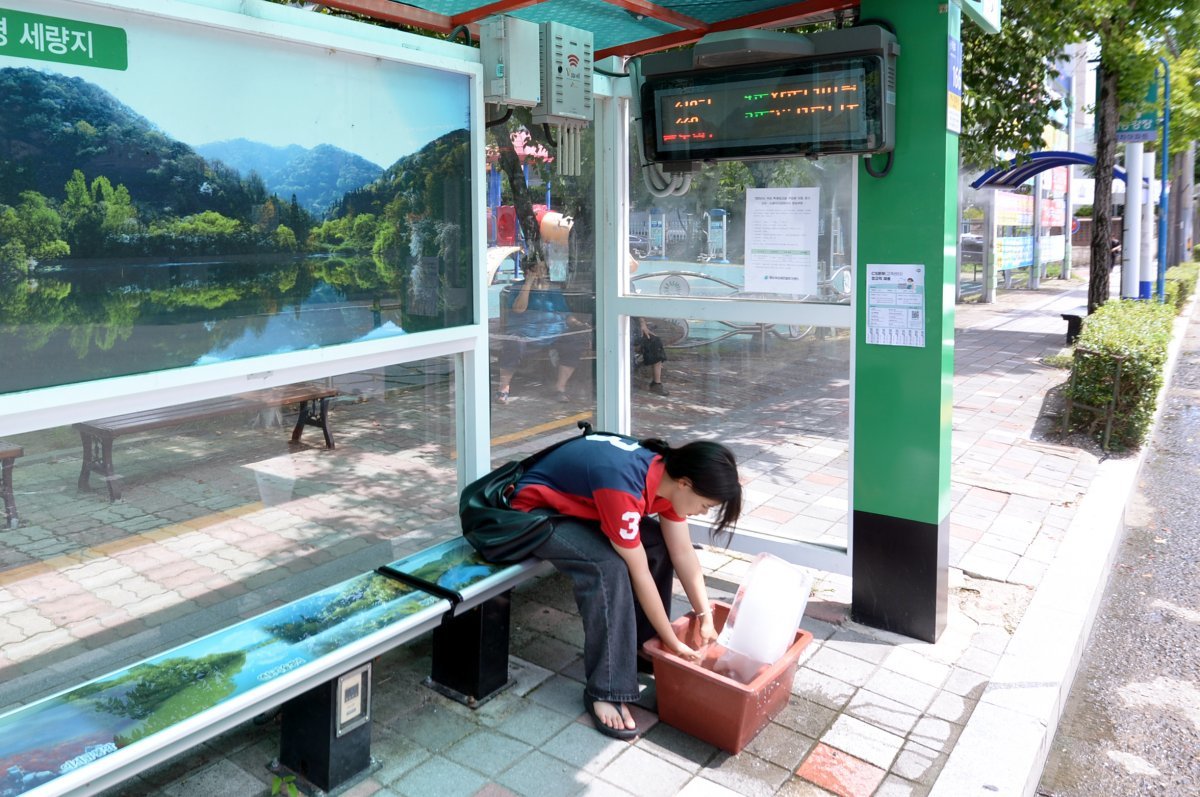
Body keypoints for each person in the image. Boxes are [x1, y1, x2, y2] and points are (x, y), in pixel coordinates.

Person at [509, 432, 742, 739]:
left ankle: (639, 650)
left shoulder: (668, 478)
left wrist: (705, 616)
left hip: (582, 506)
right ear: (686, 483)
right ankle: (605, 689)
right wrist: (672, 639)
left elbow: (682, 552)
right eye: (706, 505)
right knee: (608, 568)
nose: (704, 512)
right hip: (536, 513)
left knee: (657, 545)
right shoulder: (623, 484)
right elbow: (638, 572)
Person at [495, 252, 587, 404]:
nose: (542, 272)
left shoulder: (553, 289)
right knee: (513, 344)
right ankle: (503, 388)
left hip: (554, 332)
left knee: (574, 342)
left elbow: (565, 313)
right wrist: (528, 284)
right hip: (525, 332)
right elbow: (519, 309)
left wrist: (578, 323)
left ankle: (560, 388)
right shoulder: (518, 288)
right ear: (528, 271)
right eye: (538, 269)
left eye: (544, 269)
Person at [635, 317, 669, 395]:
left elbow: (638, 313)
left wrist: (643, 324)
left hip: (634, 328)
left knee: (655, 341)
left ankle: (656, 384)